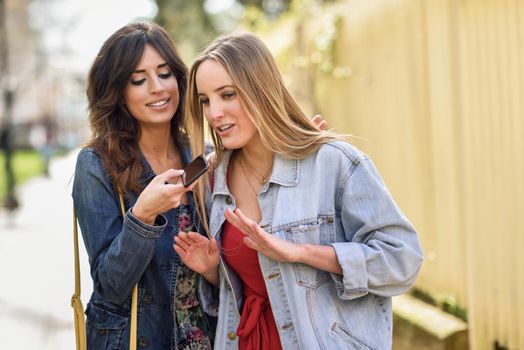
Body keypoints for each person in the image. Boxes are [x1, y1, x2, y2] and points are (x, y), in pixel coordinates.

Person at [174, 32, 424, 350]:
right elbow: (248, 285)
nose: (214, 113)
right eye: (205, 101)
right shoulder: (216, 178)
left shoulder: (331, 162)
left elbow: (403, 261)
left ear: (260, 90)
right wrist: (212, 270)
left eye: (227, 94)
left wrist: (300, 253)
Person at [72, 22, 214, 349]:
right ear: (118, 92)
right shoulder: (96, 164)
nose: (157, 88)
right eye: (138, 80)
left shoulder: (204, 157)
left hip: (208, 336)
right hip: (139, 339)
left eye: (164, 74)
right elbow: (111, 286)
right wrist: (143, 215)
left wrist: (213, 271)